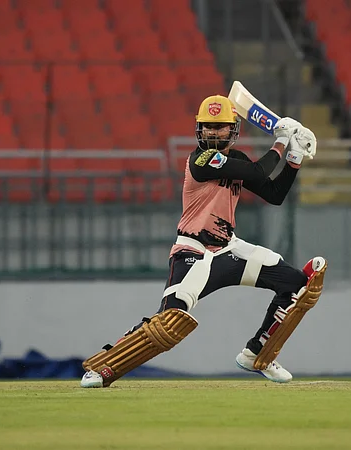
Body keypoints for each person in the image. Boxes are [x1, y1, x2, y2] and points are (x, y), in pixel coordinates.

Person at [80, 95, 327, 388]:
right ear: (199, 129)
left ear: (232, 129)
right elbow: (259, 171)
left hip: (228, 249)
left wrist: (294, 159)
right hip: (193, 251)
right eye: (208, 126)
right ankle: (102, 367)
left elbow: (273, 194)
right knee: (170, 319)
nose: (212, 132)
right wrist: (282, 141)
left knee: (295, 284)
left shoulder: (235, 160)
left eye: (219, 127)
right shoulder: (201, 159)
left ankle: (257, 354)